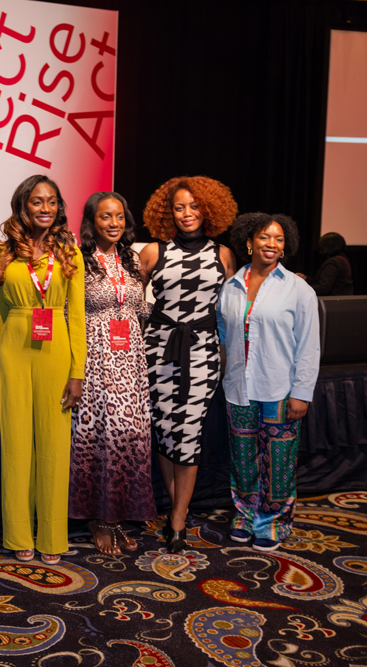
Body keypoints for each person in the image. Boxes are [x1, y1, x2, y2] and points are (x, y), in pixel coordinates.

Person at [139, 176, 237, 552]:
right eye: (179, 207)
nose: (187, 213)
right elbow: (130, 300)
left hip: (202, 352)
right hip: (158, 351)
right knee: (165, 430)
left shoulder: (223, 254)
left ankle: (178, 518)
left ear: (207, 209)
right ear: (168, 212)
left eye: (194, 206)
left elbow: (232, 308)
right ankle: (176, 506)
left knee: (189, 433)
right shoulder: (153, 252)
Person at [0, 174, 85, 565]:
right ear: (23, 205)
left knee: (53, 444)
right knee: (15, 444)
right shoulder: (4, 251)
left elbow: (76, 315)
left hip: (55, 349)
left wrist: (77, 372)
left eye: (51, 201)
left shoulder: (69, 251)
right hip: (13, 349)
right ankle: (17, 533)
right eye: (36, 201)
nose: (45, 208)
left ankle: (51, 535)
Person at [217, 212, 320, 551]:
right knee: (243, 458)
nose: (271, 244)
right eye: (264, 237)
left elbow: (309, 345)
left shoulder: (298, 289)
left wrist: (301, 393)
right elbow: (223, 335)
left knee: (278, 462)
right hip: (238, 388)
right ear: (249, 242)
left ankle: (274, 521)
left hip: (279, 389)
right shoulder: (231, 287)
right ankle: (245, 515)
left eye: (278, 239)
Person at [69, 192, 155, 555]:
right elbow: (69, 310)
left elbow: (138, 307)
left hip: (131, 362)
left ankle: (117, 514)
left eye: (119, 216)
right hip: (95, 360)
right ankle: (99, 519)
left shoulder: (132, 259)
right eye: (106, 216)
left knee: (130, 435)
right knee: (101, 436)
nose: (114, 223)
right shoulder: (78, 259)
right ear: (92, 221)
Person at [301, 232, 352, 296]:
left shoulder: (333, 263)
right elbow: (321, 281)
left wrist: (302, 289)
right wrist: (306, 278)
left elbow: (323, 288)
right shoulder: (342, 259)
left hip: (334, 300)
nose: (320, 249)